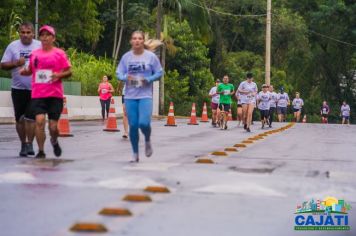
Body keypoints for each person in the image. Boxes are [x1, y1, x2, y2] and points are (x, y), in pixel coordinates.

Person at [20, 25, 72, 158]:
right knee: (39, 121)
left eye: (47, 35)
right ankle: (41, 151)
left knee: (53, 127)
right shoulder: (35, 54)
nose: (44, 37)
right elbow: (31, 70)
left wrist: (58, 75)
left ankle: (54, 141)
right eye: (42, 35)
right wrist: (24, 72)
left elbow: (69, 71)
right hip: (38, 94)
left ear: (53, 38)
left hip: (55, 95)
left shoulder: (59, 53)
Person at [116, 31, 163, 162]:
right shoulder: (126, 57)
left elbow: (159, 72)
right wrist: (126, 77)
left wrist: (148, 79)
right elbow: (118, 73)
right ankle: (135, 153)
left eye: (139, 38)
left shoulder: (151, 57)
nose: (137, 41)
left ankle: (147, 140)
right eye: (134, 38)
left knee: (144, 123)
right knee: (133, 126)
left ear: (143, 41)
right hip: (130, 96)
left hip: (145, 96)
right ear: (131, 41)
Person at [1, 22, 41, 157]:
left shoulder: (39, 46)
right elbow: (3, 65)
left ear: (33, 33)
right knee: (19, 119)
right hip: (18, 89)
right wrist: (16, 63)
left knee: (31, 118)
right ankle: (23, 144)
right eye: (23, 32)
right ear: (19, 33)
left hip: (36, 89)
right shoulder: (13, 46)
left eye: (28, 32)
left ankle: (30, 144)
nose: (25, 35)